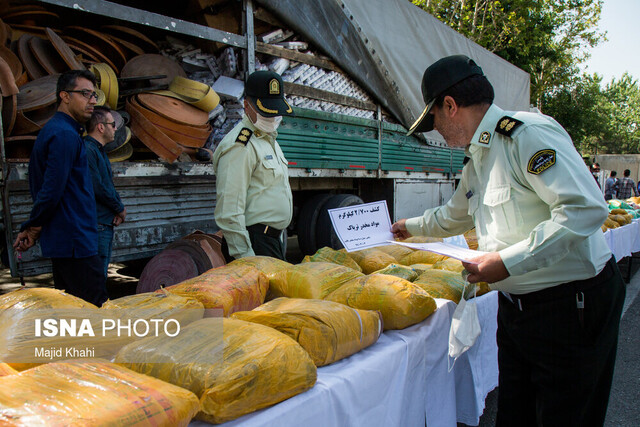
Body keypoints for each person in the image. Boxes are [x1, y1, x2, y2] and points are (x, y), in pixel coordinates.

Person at [391, 55, 625, 426]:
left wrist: (505, 263)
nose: (436, 132)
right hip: (517, 310)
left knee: (567, 416)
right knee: (515, 415)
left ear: (449, 107)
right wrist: (409, 225)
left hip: (570, 307)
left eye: (433, 120)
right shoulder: (479, 158)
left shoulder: (526, 135)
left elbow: (583, 208)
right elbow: (454, 215)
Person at [13, 70, 109, 307]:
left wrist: (33, 228)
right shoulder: (64, 135)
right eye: (85, 94)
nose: (93, 101)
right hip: (75, 242)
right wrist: (32, 227)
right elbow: (52, 190)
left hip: (69, 240)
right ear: (65, 96)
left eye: (94, 95)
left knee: (73, 312)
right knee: (94, 312)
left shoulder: (60, 131)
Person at [212, 70, 294, 261]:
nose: (273, 119)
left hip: (270, 241)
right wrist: (246, 258)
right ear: (246, 106)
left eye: (276, 112)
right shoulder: (240, 146)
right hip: (253, 244)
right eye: (266, 113)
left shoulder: (268, 140)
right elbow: (229, 211)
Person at [85, 106, 126, 281]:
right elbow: (97, 187)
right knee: (95, 278)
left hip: (104, 222)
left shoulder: (99, 150)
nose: (115, 129)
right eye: (112, 124)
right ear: (101, 127)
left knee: (100, 275)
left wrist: (117, 209)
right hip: (97, 224)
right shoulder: (88, 150)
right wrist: (118, 207)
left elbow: (107, 185)